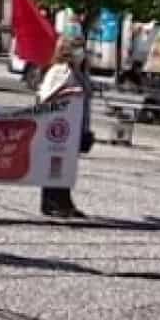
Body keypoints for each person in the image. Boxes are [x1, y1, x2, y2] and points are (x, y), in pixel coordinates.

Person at [38, 32, 92, 219]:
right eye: (77, 47)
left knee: (67, 167)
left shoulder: (79, 72)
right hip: (59, 127)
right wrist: (70, 91)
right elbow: (47, 97)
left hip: (75, 127)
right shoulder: (59, 70)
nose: (81, 52)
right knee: (55, 165)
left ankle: (65, 201)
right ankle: (52, 202)